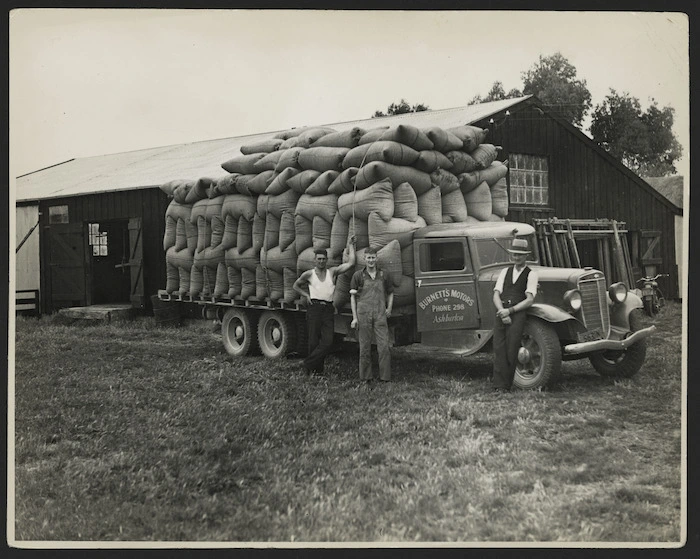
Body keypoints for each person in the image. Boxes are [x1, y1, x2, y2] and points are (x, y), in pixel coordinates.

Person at [293, 236, 356, 375]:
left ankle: (307, 363)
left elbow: (351, 264)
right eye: (319, 259)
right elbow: (296, 285)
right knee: (313, 341)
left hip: (328, 308)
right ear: (315, 260)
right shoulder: (309, 274)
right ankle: (315, 371)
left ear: (327, 260)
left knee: (328, 341)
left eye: (323, 259)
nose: (321, 261)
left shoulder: (332, 272)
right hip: (314, 308)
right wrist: (306, 295)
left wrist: (351, 245)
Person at [492, 237, 539, 392]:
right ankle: (498, 385)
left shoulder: (531, 274)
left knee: (512, 349)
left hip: (517, 313)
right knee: (499, 348)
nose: (517, 257)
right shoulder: (505, 272)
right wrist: (501, 311)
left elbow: (529, 300)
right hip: (502, 311)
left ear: (526, 256)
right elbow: (496, 295)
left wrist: (510, 311)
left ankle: (506, 386)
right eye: (514, 254)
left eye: (520, 255)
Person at [349, 246, 394, 382]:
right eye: (368, 258)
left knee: (384, 347)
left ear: (377, 258)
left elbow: (391, 293)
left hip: (380, 314)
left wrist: (389, 308)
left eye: (373, 257)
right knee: (364, 347)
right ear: (364, 259)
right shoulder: (358, 276)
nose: (371, 260)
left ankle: (385, 378)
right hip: (363, 314)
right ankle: (366, 378)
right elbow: (352, 297)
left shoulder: (384, 274)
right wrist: (355, 318)